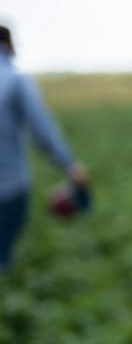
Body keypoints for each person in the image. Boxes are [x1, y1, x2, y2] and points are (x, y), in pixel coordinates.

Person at [0, 24, 89, 271]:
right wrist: (70, 166)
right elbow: (41, 130)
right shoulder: (15, 81)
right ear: (8, 45)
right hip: (7, 189)